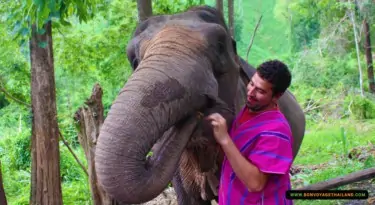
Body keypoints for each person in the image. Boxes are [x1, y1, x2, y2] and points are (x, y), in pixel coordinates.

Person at [206, 60, 294, 205]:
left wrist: (225, 139)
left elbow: (255, 184)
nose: (251, 93)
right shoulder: (250, 110)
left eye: (260, 91)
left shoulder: (276, 132)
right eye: (252, 83)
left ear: (277, 96)